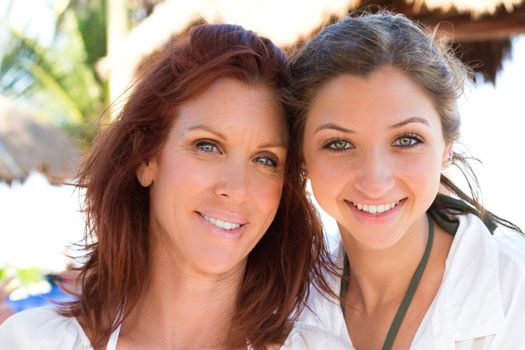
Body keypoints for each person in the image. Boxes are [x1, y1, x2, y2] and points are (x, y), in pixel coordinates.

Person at [0, 24, 348, 349]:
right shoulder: (33, 341)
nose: (236, 189)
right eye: (207, 146)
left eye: (266, 160)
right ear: (146, 158)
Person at [283, 11, 525, 350]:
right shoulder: (283, 307)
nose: (375, 182)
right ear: (303, 157)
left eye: (407, 140)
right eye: (339, 144)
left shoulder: (515, 293)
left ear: (446, 149)